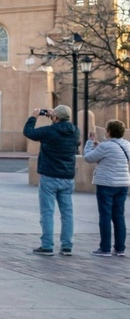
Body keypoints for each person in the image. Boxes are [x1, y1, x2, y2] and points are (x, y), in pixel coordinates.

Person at [24, 105, 80, 256]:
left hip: (50, 176)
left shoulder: (50, 132)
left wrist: (34, 116)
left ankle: (47, 245)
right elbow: (61, 132)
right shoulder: (75, 132)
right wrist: (55, 118)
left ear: (56, 117)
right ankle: (67, 246)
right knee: (67, 213)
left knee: (47, 212)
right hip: (67, 178)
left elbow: (29, 132)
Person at [82, 120, 129, 257]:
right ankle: (120, 248)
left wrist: (90, 143)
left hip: (106, 185)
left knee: (105, 216)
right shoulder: (126, 144)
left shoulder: (106, 146)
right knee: (119, 216)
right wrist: (99, 146)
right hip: (123, 184)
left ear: (109, 131)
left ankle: (105, 248)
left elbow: (88, 158)